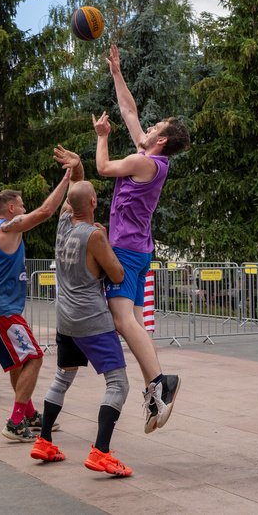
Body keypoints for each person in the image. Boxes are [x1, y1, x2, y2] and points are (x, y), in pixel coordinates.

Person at [95, 44, 190, 433]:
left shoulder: (141, 160)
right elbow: (130, 112)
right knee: (133, 320)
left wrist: (102, 136)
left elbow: (102, 168)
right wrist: (117, 72)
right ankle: (157, 388)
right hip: (140, 250)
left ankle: (158, 384)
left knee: (122, 319)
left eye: (154, 129)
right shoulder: (155, 160)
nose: (147, 128)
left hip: (125, 250)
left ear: (161, 140)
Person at [31, 149, 132, 476]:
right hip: (92, 319)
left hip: (65, 319)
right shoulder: (95, 235)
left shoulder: (63, 222)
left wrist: (77, 169)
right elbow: (116, 274)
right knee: (118, 384)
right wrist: (109, 249)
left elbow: (77, 190)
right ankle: (101, 452)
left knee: (63, 376)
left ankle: (44, 440)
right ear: (93, 204)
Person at [0, 159, 73, 442]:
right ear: (11, 209)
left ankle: (29, 414)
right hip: (2, 309)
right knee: (35, 357)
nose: (25, 209)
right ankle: (16, 422)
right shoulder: (8, 227)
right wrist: (66, 180)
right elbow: (46, 211)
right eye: (21, 205)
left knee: (19, 363)